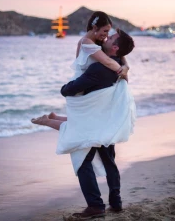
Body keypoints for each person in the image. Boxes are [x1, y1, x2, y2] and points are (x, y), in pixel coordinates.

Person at [32, 26, 136, 219]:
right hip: (108, 120)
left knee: (82, 161)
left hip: (95, 122)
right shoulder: (118, 66)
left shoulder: (99, 68)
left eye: (111, 37)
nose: (106, 38)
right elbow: (120, 60)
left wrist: (66, 85)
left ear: (114, 48)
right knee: (109, 161)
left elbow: (68, 90)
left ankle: (96, 206)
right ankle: (116, 201)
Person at [31, 11, 130, 129]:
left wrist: (126, 66)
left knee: (83, 122)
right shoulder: (86, 42)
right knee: (78, 127)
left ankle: (53, 117)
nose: (107, 35)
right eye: (105, 31)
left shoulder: (98, 42)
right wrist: (122, 72)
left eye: (108, 32)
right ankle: (46, 121)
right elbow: (108, 61)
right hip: (81, 85)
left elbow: (119, 54)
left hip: (88, 83)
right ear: (94, 28)